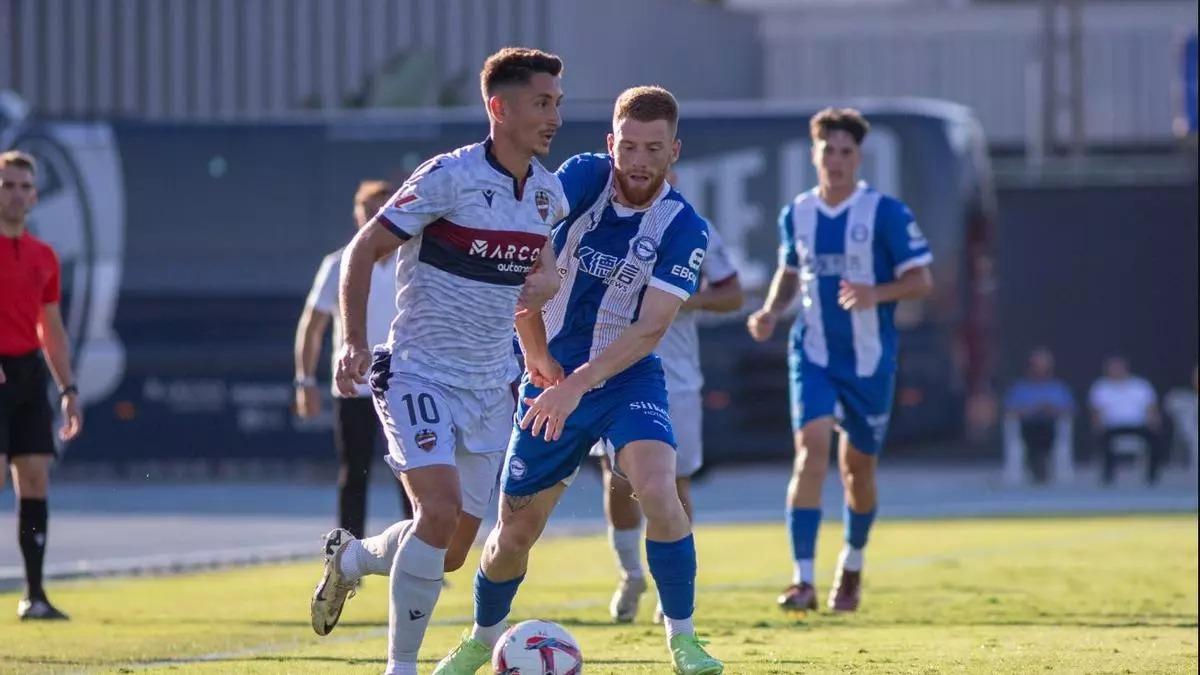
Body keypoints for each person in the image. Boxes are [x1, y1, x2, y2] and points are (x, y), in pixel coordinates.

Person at [435, 85, 723, 675]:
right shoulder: (583, 178)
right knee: (514, 535)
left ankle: (684, 640)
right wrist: (539, 362)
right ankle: (480, 640)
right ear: (610, 143)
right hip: (551, 376)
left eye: (654, 149)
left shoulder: (685, 228)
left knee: (659, 490)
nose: (639, 162)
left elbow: (649, 331)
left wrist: (575, 386)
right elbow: (523, 254)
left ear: (675, 152)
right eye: (630, 147)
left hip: (625, 378)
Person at [306, 47, 567, 675]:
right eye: (541, 103)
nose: (554, 116)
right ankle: (401, 667)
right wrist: (351, 343)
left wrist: (542, 322)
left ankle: (352, 561)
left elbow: (537, 279)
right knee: (439, 509)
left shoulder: (548, 196)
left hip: (489, 386)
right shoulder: (448, 177)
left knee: (450, 550)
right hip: (417, 372)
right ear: (499, 108)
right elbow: (362, 251)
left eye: (557, 102)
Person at [746, 108, 934, 614]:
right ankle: (802, 580)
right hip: (813, 353)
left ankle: (851, 567)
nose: (836, 160)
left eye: (846, 151)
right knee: (811, 451)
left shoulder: (886, 213)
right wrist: (768, 312)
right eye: (828, 150)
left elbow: (921, 280)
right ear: (815, 155)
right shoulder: (798, 213)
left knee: (858, 471)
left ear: (859, 157)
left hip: (870, 360)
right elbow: (791, 273)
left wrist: (878, 292)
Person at [596, 178, 743, 624]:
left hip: (673, 375)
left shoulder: (693, 226)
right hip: (613, 368)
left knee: (673, 482)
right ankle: (630, 573)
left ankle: (671, 590)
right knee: (617, 478)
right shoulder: (601, 221)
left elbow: (732, 294)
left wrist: (683, 299)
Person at [294, 180, 413, 539]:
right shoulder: (338, 264)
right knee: (353, 473)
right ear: (357, 214)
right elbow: (312, 326)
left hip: (405, 383)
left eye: (382, 208)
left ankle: (420, 556)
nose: (375, 217)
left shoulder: (414, 260)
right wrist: (304, 381)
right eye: (368, 210)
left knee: (415, 474)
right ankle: (346, 559)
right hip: (354, 386)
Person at [0, 150, 83, 620]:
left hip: (28, 375)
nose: (15, 194)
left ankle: (34, 595)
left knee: (33, 478)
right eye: (7, 185)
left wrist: (68, 390)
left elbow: (50, 328)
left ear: (34, 196)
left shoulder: (43, 257)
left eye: (23, 187)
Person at [1004, 347, 1076, 484]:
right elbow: (1010, 411)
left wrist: (1051, 410)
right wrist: (1031, 410)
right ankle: (1036, 463)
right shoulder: (1020, 388)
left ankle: (1040, 463)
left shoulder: (1058, 387)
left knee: (1049, 429)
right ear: (1030, 366)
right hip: (1027, 428)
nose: (1040, 369)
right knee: (1029, 430)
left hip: (1051, 428)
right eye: (1037, 365)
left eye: (1044, 366)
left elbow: (1069, 410)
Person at [1089, 356, 1162, 485]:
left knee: (1155, 437)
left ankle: (1152, 477)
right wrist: (1097, 424)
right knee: (1103, 437)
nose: (1116, 371)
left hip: (1138, 425)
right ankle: (1108, 476)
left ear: (1126, 369)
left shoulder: (1140, 385)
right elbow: (1096, 411)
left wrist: (1154, 421)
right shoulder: (1101, 387)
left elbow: (1151, 408)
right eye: (1113, 369)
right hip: (1113, 426)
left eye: (1119, 368)